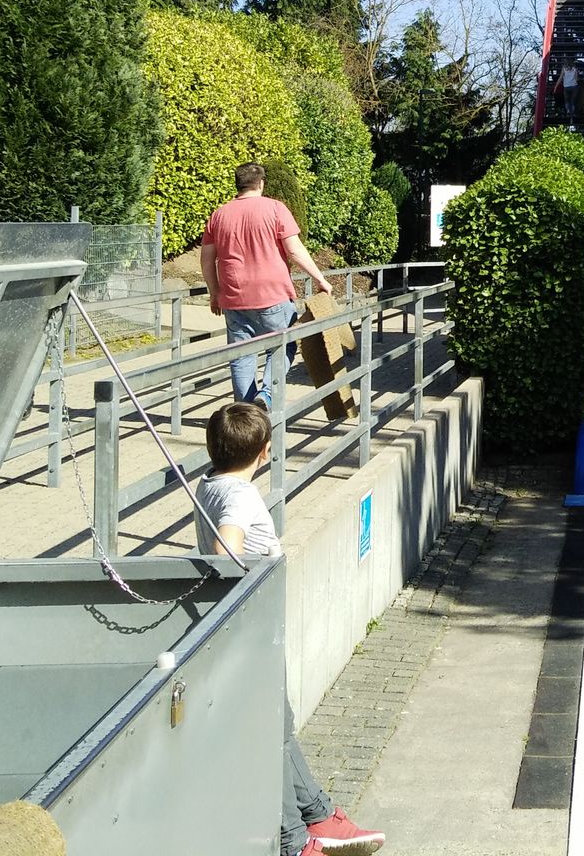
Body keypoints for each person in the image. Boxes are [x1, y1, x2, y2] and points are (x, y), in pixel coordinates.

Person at [197, 404, 388, 856]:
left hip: (248, 628)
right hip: (254, 629)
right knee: (271, 734)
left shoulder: (210, 484)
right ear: (265, 451)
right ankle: (294, 842)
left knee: (278, 730)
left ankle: (318, 815)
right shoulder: (241, 495)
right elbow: (227, 546)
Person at [203, 162, 332, 405]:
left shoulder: (219, 215)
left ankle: (245, 415)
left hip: (233, 299)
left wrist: (214, 292)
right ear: (261, 183)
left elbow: (207, 259)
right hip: (272, 296)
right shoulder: (275, 208)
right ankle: (266, 395)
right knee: (284, 346)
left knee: (241, 357)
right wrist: (320, 279)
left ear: (238, 184)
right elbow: (294, 250)